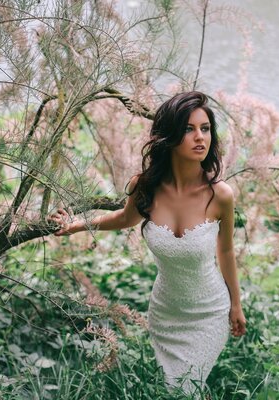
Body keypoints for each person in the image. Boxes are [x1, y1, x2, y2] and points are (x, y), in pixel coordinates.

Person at [47, 91, 246, 396]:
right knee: (170, 390)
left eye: (205, 129)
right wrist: (75, 226)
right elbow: (124, 219)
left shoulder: (220, 195)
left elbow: (226, 251)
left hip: (209, 314)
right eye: (188, 129)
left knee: (185, 389)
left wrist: (236, 304)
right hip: (165, 314)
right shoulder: (146, 187)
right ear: (169, 136)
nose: (199, 138)